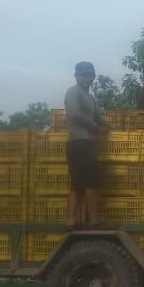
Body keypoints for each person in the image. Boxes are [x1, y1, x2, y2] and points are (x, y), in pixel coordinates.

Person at [64, 61, 110, 227]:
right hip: (77, 143)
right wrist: (96, 127)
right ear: (76, 76)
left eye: (88, 75)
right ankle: (74, 219)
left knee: (90, 181)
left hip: (89, 144)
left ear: (93, 77)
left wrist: (111, 129)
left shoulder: (90, 98)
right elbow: (74, 114)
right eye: (82, 74)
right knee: (79, 183)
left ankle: (92, 219)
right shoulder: (73, 92)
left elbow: (98, 119)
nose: (85, 77)